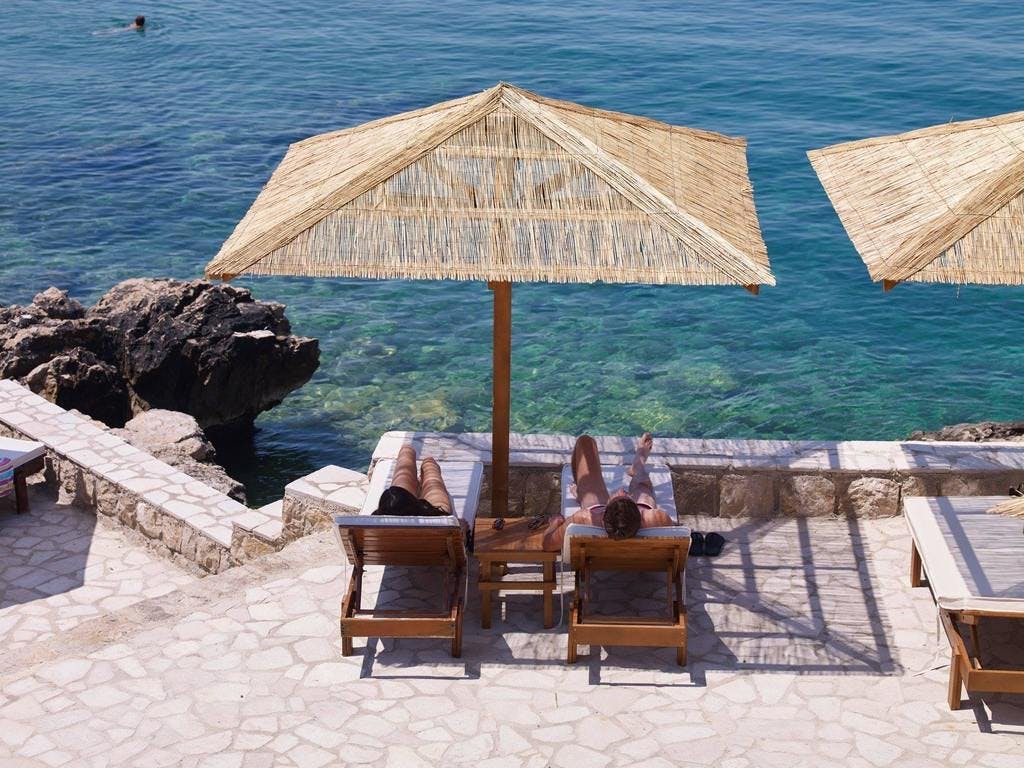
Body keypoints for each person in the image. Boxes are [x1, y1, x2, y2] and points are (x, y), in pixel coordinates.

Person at [544, 432, 674, 550]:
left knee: (585, 442)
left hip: (595, 541)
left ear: (604, 511)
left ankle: (581, 493)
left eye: (617, 497)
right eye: (628, 498)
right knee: (642, 487)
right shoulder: (656, 518)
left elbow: (547, 544)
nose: (621, 490)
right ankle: (638, 466)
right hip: (637, 553)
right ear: (639, 514)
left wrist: (554, 523)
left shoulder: (583, 520)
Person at [373, 445, 454, 518]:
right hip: (432, 517)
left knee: (395, 499)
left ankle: (426, 468)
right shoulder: (441, 521)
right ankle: (428, 463)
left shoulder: (373, 525)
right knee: (409, 452)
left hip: (403, 515)